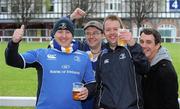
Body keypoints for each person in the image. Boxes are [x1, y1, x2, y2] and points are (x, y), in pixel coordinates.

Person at [5, 17, 96, 109]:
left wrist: (87, 90)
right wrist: (14, 43)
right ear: (54, 34)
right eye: (60, 32)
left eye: (67, 32)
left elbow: (91, 83)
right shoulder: (41, 54)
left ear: (72, 35)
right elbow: (12, 61)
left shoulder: (84, 57)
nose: (63, 36)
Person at [95, 15, 149, 109]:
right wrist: (99, 106)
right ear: (104, 33)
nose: (112, 33)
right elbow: (99, 86)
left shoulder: (131, 49)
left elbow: (145, 68)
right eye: (108, 30)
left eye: (115, 29)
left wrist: (133, 44)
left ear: (121, 30)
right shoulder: (102, 56)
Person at [139, 28, 179, 109]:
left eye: (148, 42)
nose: (143, 45)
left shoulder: (165, 71)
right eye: (142, 41)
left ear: (157, 45)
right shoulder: (145, 64)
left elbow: (171, 104)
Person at [81, 20, 105, 109]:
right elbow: (56, 43)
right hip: (80, 104)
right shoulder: (78, 51)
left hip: (101, 104)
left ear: (102, 35)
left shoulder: (109, 53)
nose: (91, 36)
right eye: (88, 33)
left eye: (95, 33)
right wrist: (70, 18)